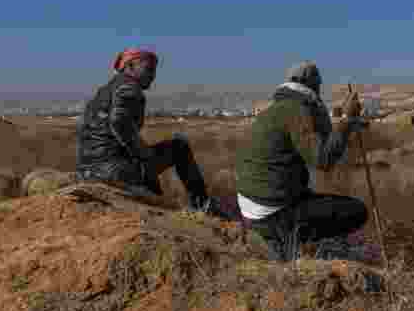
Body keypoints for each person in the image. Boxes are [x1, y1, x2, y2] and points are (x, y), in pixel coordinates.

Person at [236, 61, 370, 262]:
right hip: (272, 214)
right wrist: (346, 121)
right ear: (314, 85)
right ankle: (297, 244)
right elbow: (323, 160)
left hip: (252, 206)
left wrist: (343, 123)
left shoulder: (276, 108)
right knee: (357, 211)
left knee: (316, 200)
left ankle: (293, 239)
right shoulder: (297, 110)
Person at [76, 48, 228, 218]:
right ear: (130, 66)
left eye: (154, 70)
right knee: (179, 146)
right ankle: (203, 205)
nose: (152, 75)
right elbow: (119, 122)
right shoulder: (129, 87)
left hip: (89, 169)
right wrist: (144, 157)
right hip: (113, 169)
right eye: (148, 69)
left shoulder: (105, 90)